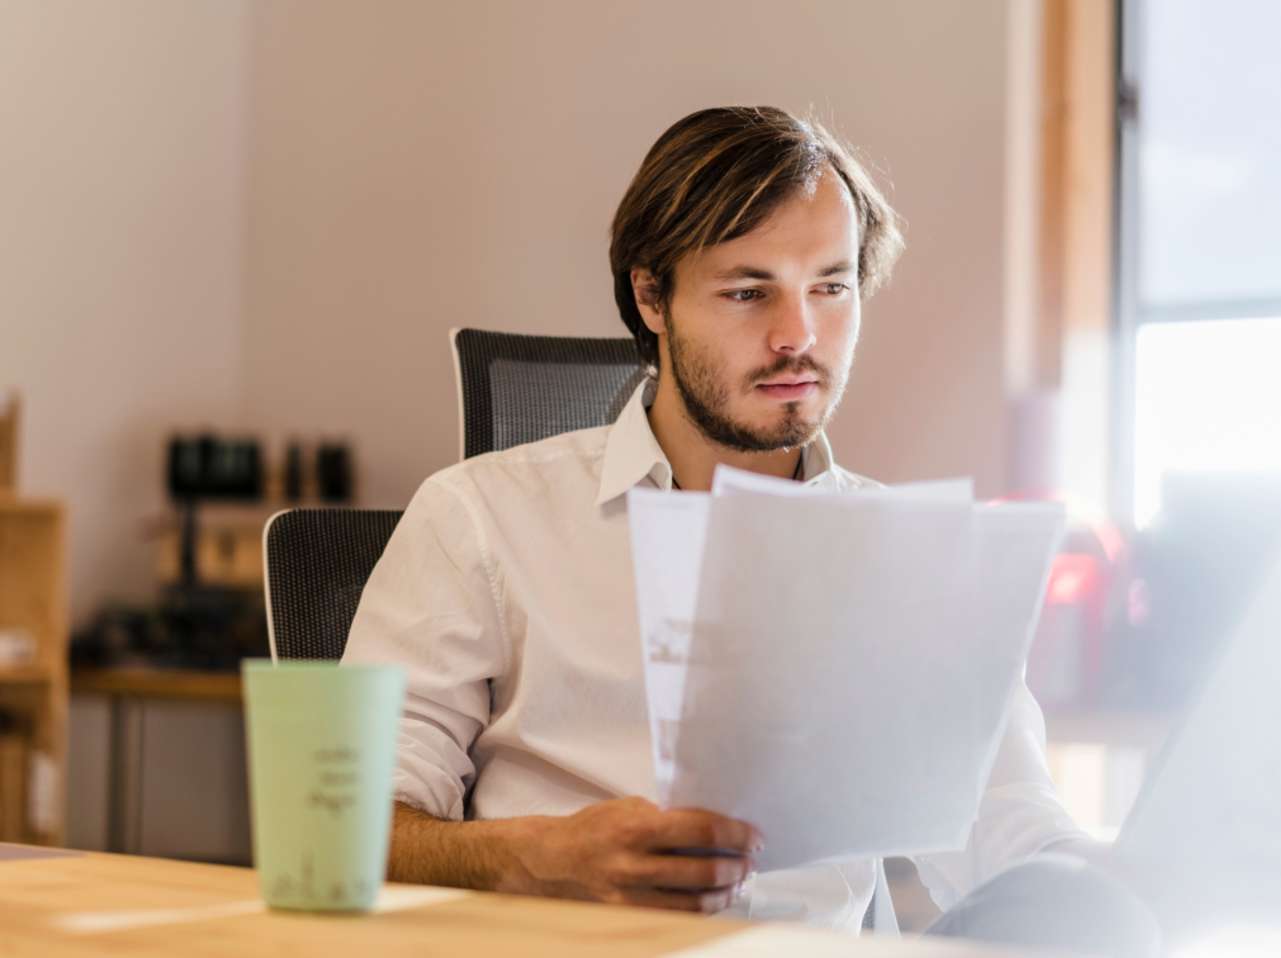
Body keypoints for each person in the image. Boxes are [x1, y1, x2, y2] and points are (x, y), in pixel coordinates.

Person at [343, 106, 1157, 952]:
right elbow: (355, 830)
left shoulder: (907, 558)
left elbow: (1018, 830)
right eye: (747, 290)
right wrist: (534, 860)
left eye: (830, 287)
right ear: (651, 296)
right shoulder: (480, 518)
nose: (797, 336)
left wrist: (1110, 885)